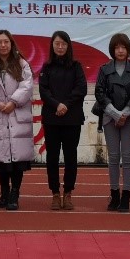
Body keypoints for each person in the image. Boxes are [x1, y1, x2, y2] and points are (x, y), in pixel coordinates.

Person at [0, 29, 34, 211]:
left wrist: (13, 102)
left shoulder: (21, 63)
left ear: (11, 44)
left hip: (17, 114)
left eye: (6, 42)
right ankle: (4, 194)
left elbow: (27, 85)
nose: (3, 45)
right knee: (1, 160)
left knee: (17, 160)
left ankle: (14, 194)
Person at [37, 30, 87, 211]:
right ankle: (55, 194)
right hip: (52, 119)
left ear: (68, 46)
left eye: (63, 44)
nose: (60, 47)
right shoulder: (47, 67)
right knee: (52, 157)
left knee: (70, 157)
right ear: (52, 45)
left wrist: (65, 104)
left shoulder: (76, 66)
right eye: (57, 44)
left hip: (72, 119)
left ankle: (68, 193)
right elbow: (44, 91)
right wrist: (57, 105)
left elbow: (81, 89)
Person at [92, 32, 130, 213]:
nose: (120, 51)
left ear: (128, 49)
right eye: (117, 47)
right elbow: (99, 92)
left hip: (129, 118)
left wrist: (124, 114)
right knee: (113, 157)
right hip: (109, 117)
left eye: (123, 47)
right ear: (112, 50)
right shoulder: (104, 69)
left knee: (127, 157)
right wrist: (114, 113)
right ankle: (114, 195)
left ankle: (126, 196)